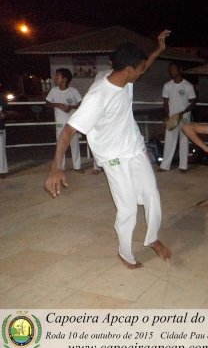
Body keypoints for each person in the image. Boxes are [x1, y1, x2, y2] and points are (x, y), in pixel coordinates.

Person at [45, 30, 172, 269]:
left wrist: (159, 49)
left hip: (133, 148)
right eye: (140, 68)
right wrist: (56, 167)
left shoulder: (125, 79)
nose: (143, 71)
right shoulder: (98, 97)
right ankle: (125, 253)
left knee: (152, 196)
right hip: (113, 157)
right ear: (128, 69)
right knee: (127, 208)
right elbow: (68, 132)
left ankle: (152, 239)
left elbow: (144, 66)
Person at [157, 62, 197, 173]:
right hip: (172, 117)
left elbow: (193, 102)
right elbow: (165, 103)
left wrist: (182, 113)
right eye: (170, 70)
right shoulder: (167, 85)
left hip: (184, 117)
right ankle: (165, 165)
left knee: (184, 140)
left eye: (174, 69)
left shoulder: (188, 86)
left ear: (180, 69)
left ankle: (183, 166)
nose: (172, 71)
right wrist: (166, 116)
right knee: (169, 140)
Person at [45, 68, 84, 173]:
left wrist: (72, 107)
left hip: (72, 123)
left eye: (58, 76)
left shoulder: (73, 91)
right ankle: (60, 167)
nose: (55, 78)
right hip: (60, 123)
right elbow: (47, 103)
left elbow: (81, 103)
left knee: (74, 144)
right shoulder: (54, 91)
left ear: (64, 79)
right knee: (60, 145)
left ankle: (77, 166)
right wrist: (57, 104)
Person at [0, 95, 10, 178]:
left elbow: (5, 111)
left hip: (0, 126)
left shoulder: (1, 98)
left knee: (1, 149)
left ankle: (2, 170)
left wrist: (4, 114)